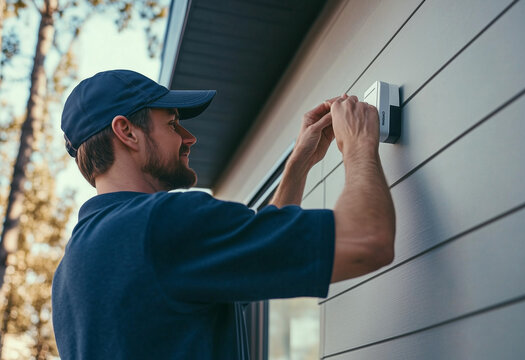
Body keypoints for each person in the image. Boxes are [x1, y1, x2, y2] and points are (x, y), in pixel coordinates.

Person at [52, 69, 395, 359]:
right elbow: (365, 241)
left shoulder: (70, 271)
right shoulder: (164, 222)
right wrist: (358, 144)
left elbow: (256, 264)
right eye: (173, 124)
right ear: (126, 131)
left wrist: (298, 165)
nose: (189, 138)